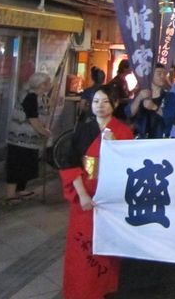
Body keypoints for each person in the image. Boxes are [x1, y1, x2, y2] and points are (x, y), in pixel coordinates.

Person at [60, 86, 133, 298]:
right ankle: (79, 290)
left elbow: (129, 167)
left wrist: (115, 147)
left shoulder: (123, 131)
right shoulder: (83, 130)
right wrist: (82, 194)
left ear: (115, 104)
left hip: (111, 199)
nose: (100, 106)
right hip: (86, 196)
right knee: (82, 246)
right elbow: (70, 163)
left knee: (106, 248)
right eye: (96, 102)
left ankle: (103, 288)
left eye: (105, 102)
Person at [5, 72, 52, 203]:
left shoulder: (38, 96)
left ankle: (21, 189)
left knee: (26, 165)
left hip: (29, 140)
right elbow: (33, 119)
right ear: (41, 85)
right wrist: (44, 131)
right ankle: (10, 194)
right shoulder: (30, 97)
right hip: (20, 138)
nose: (49, 85)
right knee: (16, 165)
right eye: (47, 83)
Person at [133, 64, 175, 139]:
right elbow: (129, 113)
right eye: (159, 73)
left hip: (161, 142)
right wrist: (138, 98)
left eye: (164, 74)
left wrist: (154, 107)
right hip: (141, 141)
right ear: (150, 75)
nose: (162, 76)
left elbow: (170, 116)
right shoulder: (141, 96)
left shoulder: (170, 97)